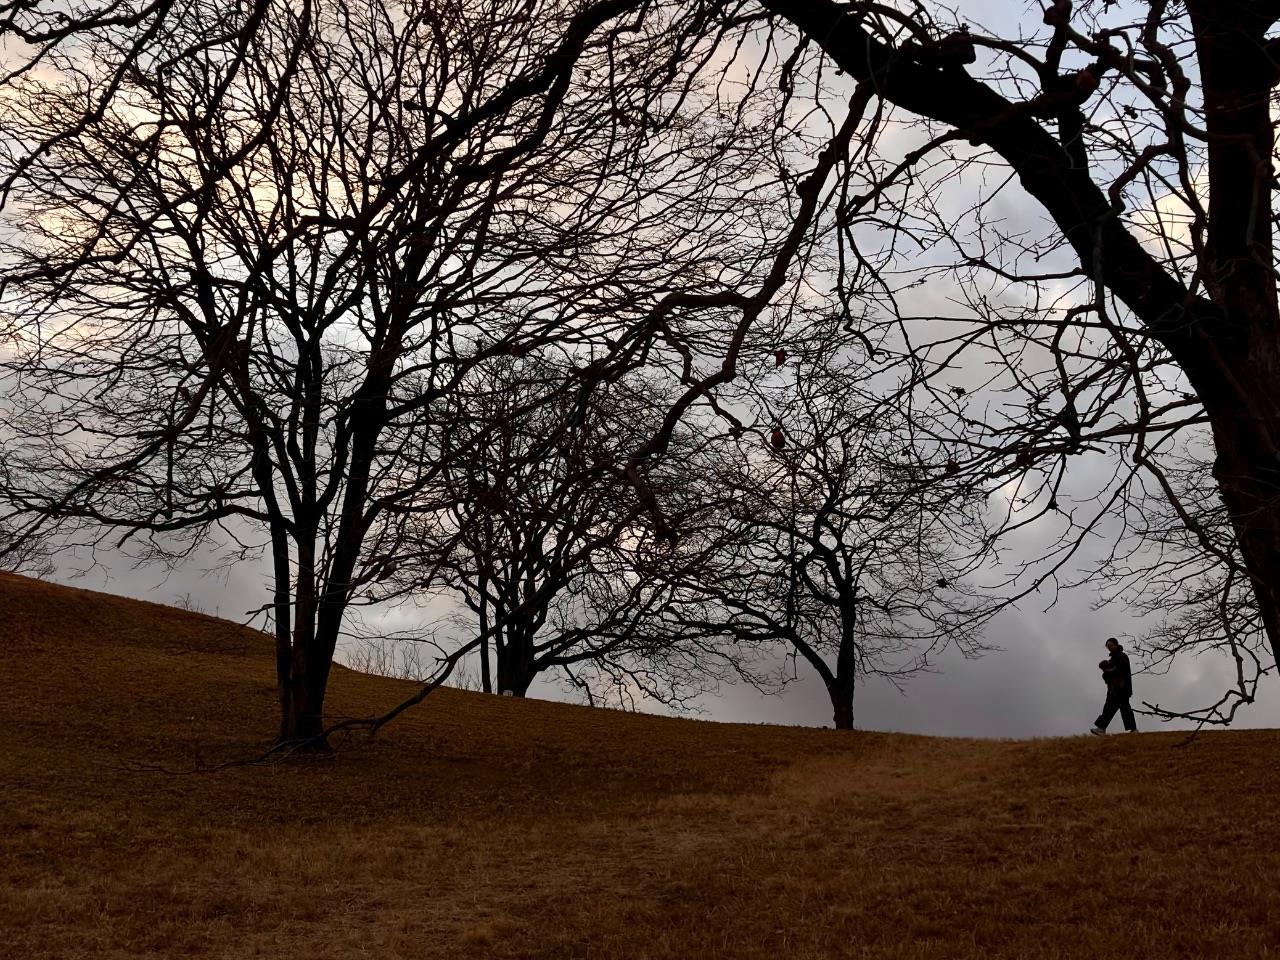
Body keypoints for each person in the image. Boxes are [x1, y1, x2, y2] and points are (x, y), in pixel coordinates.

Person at [1090, 637, 1136, 735]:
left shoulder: (1122, 656)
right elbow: (1109, 676)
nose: (1109, 647)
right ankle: (1101, 728)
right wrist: (1106, 675)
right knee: (1109, 709)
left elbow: (1121, 670)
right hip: (1113, 689)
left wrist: (1108, 672)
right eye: (1107, 646)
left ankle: (1133, 730)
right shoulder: (1112, 659)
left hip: (1122, 688)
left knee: (1124, 709)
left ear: (1116, 644)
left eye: (1110, 645)